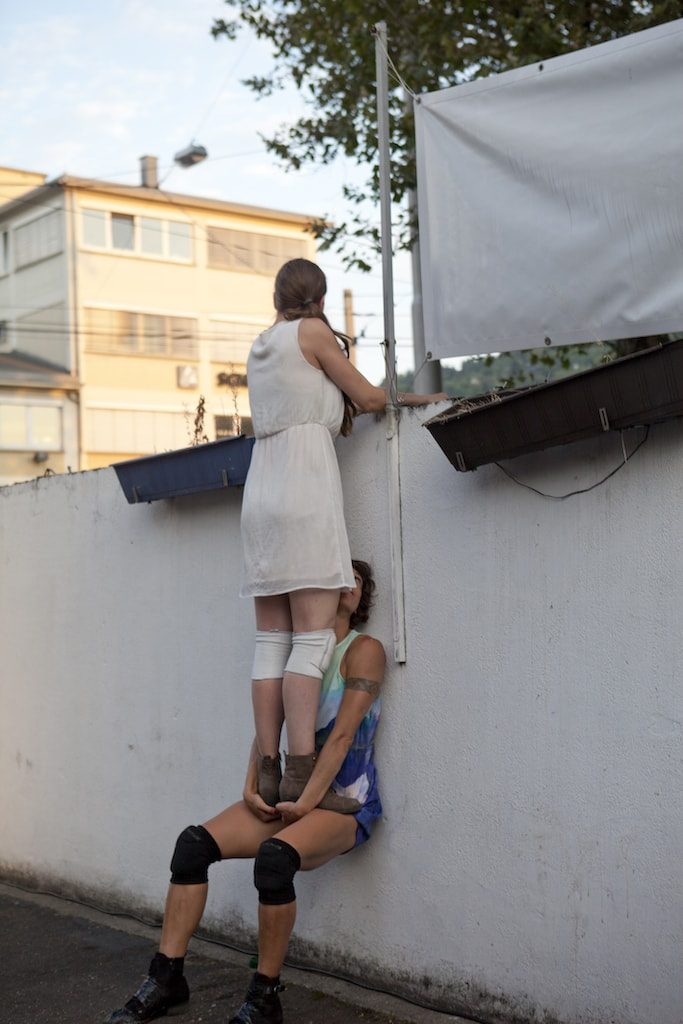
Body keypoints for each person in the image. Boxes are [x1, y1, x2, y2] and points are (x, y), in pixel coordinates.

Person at [107, 560, 385, 1024]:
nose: (346, 583)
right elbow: (269, 725)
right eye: (338, 574)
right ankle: (167, 979)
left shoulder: (365, 650)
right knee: (192, 847)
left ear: (361, 598)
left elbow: (341, 739)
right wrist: (251, 781)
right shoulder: (298, 651)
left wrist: (304, 803)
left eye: (355, 579)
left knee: (274, 861)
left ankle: (264, 999)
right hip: (292, 795)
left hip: (344, 803)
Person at [241, 258, 445, 810]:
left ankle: (268, 771)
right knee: (312, 640)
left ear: (277, 298)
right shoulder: (313, 332)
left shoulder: (261, 345)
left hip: (260, 492)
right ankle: (301, 779)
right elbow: (372, 398)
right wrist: (422, 400)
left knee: (270, 642)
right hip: (303, 489)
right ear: (320, 297)